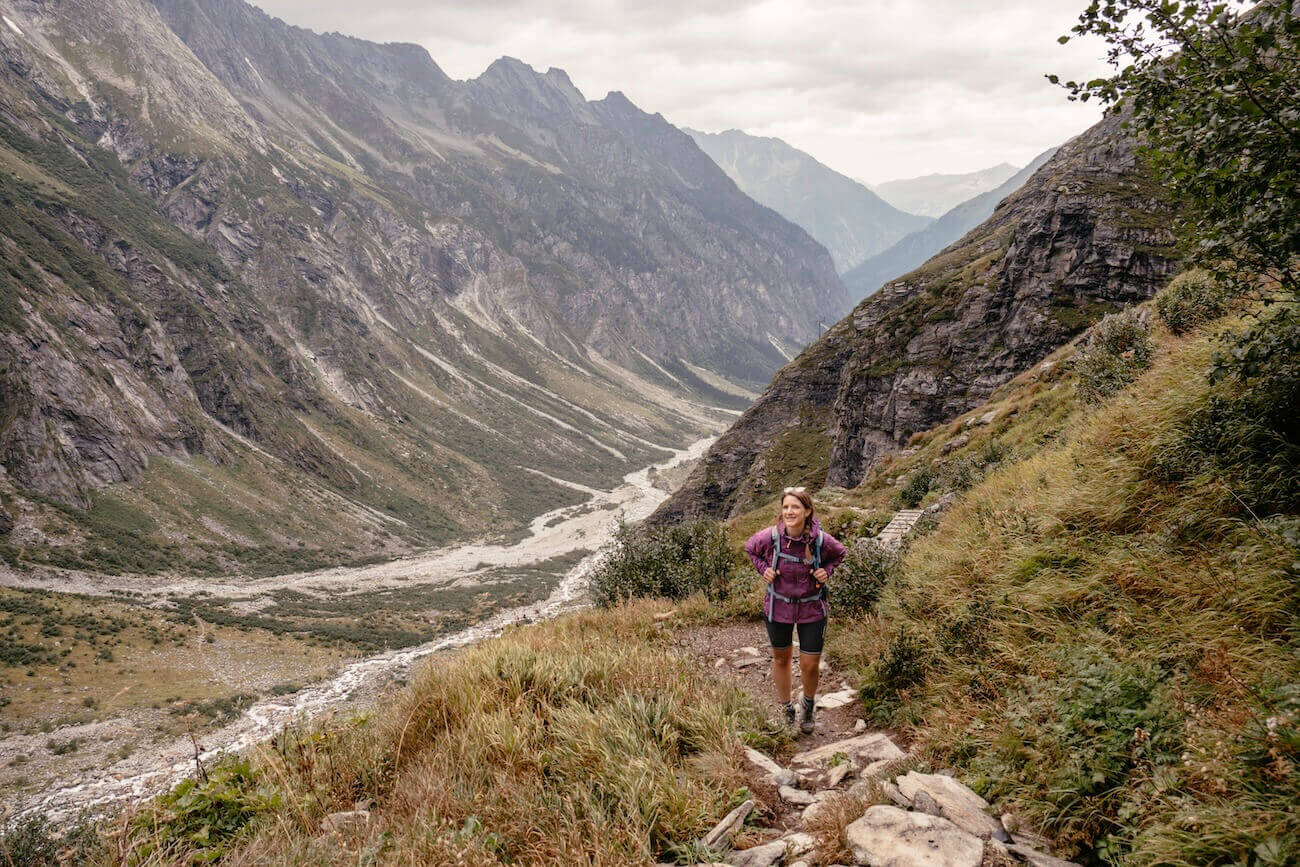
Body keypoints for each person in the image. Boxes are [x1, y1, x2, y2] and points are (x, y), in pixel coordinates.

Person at [744, 486, 845, 733]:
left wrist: (827, 571)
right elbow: (750, 548)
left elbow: (839, 554)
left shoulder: (820, 540)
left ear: (807, 511)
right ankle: (786, 708)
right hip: (778, 607)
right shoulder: (770, 537)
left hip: (812, 608)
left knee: (810, 664)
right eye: (786, 507)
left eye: (795, 507)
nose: (789, 512)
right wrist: (763, 568)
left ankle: (807, 704)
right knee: (781, 659)